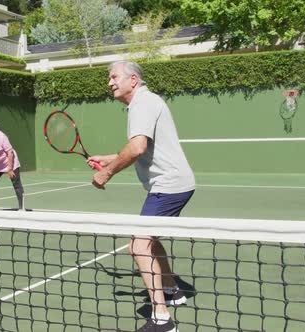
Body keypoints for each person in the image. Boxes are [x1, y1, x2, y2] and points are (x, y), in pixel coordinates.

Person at [88, 61, 195, 332]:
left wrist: (107, 173)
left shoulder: (141, 104)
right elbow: (144, 149)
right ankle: (171, 291)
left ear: (133, 80)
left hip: (168, 185)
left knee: (138, 246)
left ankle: (162, 318)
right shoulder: (146, 101)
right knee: (151, 240)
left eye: (114, 77)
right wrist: (109, 158)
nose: (109, 82)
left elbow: (137, 147)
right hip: (176, 183)